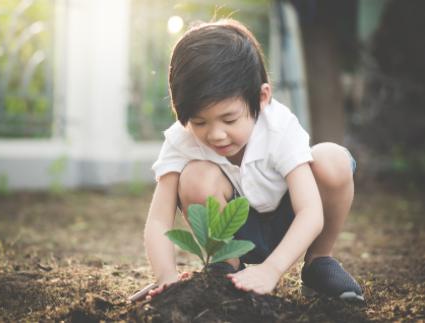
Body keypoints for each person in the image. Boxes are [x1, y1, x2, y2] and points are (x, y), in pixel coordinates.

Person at [142, 19, 364, 302]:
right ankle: (225, 267)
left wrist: (272, 270)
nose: (216, 134)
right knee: (195, 176)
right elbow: (159, 218)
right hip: (232, 234)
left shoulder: (279, 126)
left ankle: (319, 262)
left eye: (229, 118)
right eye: (199, 122)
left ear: (261, 97)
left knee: (332, 159)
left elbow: (310, 212)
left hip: (291, 226)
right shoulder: (181, 139)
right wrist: (166, 276)